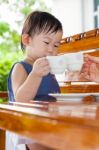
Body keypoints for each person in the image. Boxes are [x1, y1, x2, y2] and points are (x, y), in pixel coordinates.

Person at [7, 11, 63, 150]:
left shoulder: (48, 70)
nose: (51, 49)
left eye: (56, 45)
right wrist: (35, 75)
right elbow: (20, 100)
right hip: (27, 124)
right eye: (46, 42)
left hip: (49, 122)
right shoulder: (20, 68)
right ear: (27, 40)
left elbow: (53, 97)